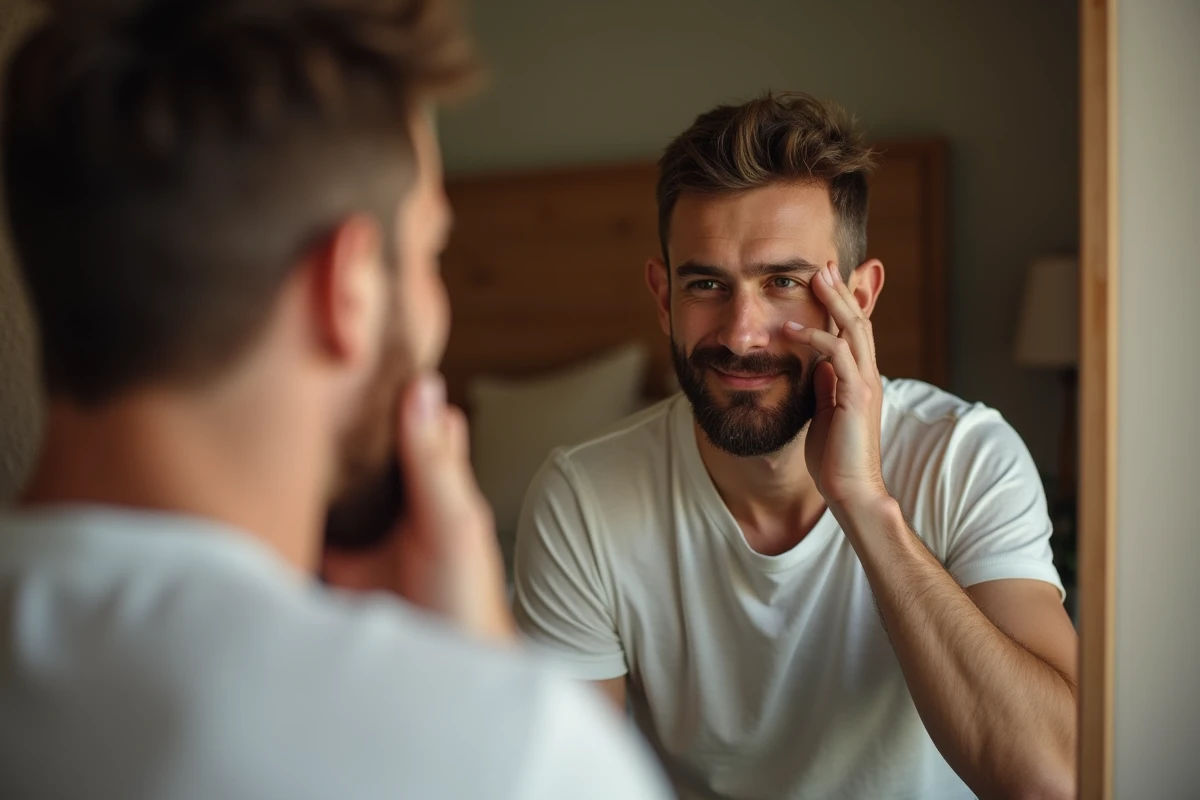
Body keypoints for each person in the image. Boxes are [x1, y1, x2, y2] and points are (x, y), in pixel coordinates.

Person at [0, 1, 669, 798]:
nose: (436, 305)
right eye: (430, 252)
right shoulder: (511, 750)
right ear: (347, 287)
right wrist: (483, 683)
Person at [513, 92, 1078, 799]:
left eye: (783, 282)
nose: (743, 333)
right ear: (664, 299)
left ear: (860, 298)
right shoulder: (583, 500)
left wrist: (865, 502)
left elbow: (1058, 778)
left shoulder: (965, 458)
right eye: (707, 284)